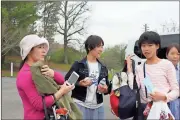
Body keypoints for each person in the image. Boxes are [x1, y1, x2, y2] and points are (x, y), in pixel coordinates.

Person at [16, 34, 74, 120]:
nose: (44, 51)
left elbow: (62, 81)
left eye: (44, 47)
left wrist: (52, 73)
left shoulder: (39, 69)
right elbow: (39, 104)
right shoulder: (25, 75)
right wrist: (61, 91)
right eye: (40, 47)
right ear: (29, 51)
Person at [126, 31, 179, 119]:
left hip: (163, 109)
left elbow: (176, 91)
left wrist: (164, 97)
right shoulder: (140, 68)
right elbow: (134, 87)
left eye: (150, 45)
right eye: (143, 46)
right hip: (146, 110)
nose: (146, 49)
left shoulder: (167, 64)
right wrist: (129, 69)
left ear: (157, 46)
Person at [65, 35, 111, 120]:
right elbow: (67, 82)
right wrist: (80, 83)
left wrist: (105, 89)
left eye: (102, 46)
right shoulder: (79, 65)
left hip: (98, 107)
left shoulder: (103, 67)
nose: (101, 49)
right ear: (90, 47)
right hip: (80, 105)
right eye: (99, 46)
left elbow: (107, 88)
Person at [166, 43, 180, 120]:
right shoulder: (162, 69)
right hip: (166, 104)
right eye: (172, 53)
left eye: (178, 54)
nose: (175, 56)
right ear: (167, 55)